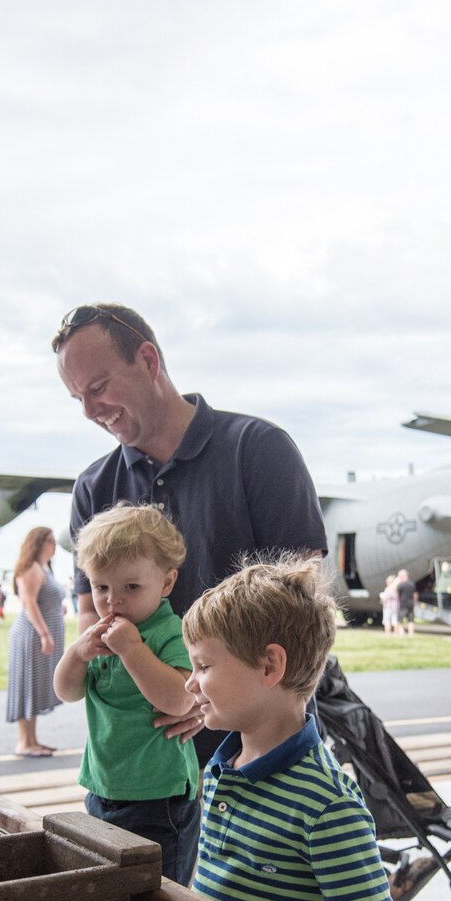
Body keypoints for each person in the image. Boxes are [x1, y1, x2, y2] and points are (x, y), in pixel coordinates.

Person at [56, 302, 325, 768]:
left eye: (98, 388)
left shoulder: (259, 449)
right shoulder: (92, 488)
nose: (89, 411)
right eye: (78, 398)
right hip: (142, 762)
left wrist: (205, 695)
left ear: (148, 360)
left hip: (260, 754)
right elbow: (88, 617)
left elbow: (305, 613)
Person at [183, 559, 397, 901]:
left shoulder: (327, 808)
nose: (189, 684)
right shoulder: (221, 770)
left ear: (269, 666)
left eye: (203, 666)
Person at [56, 504, 203, 884]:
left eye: (130, 587)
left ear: (166, 583)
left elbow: (178, 700)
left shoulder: (170, 632)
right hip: (102, 787)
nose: (112, 601)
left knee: (158, 894)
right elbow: (66, 691)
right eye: (100, 587)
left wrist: (133, 651)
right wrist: (77, 653)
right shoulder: (99, 637)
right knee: (108, 885)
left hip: (159, 797)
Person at [5, 526, 66, 757]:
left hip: (39, 635)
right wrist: (44, 634)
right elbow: (29, 603)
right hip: (31, 636)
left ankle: (32, 740)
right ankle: (24, 742)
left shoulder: (44, 568)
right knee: (27, 684)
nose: (54, 545)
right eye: (50, 540)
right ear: (38, 543)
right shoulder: (31, 569)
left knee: (36, 685)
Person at [394, 567, 417, 636]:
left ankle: (400, 632)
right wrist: (414, 602)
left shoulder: (401, 585)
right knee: (411, 620)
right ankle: (411, 633)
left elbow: (396, 594)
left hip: (403, 604)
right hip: (411, 603)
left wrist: (396, 582)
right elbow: (415, 594)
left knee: (399, 619)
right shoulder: (412, 583)